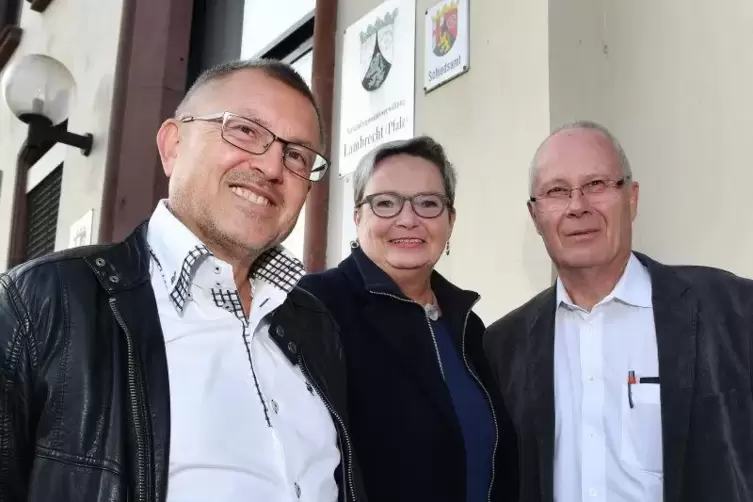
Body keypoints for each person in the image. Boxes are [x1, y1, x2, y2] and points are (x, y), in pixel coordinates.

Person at [0, 59, 366, 502]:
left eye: (297, 155)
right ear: (173, 145)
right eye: (245, 130)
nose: (272, 167)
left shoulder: (315, 327)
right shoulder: (41, 303)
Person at [484, 120, 753, 502]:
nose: (578, 207)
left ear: (632, 198)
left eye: (596, 184)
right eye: (557, 191)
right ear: (535, 216)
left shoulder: (731, 312)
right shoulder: (503, 345)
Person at [298, 137, 519, 502]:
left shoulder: (468, 327)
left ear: (450, 220)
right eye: (385, 203)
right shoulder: (315, 308)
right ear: (357, 217)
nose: (408, 219)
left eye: (428, 203)